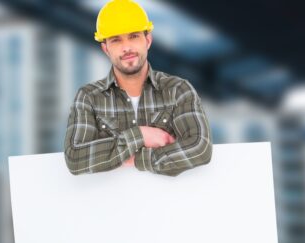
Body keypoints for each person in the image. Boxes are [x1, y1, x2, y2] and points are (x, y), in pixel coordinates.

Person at [64, 0, 212, 176]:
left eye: (134, 36)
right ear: (105, 49)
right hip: (108, 203)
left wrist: (137, 159)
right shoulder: (89, 97)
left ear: (148, 40)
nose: (127, 47)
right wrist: (141, 135)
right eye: (116, 40)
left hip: (172, 202)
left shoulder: (178, 89)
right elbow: (75, 158)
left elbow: (200, 147)